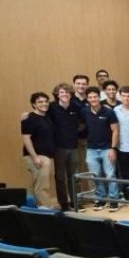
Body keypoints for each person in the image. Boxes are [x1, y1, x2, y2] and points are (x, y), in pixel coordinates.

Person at [80, 87, 119, 211]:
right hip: (91, 149)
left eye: (95, 97)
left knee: (110, 175)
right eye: (90, 97)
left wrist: (113, 148)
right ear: (87, 99)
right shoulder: (84, 112)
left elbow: (115, 130)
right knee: (96, 176)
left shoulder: (109, 112)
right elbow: (80, 127)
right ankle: (100, 199)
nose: (93, 99)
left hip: (107, 148)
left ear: (99, 97)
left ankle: (114, 200)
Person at [47, 83, 81, 211]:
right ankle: (64, 203)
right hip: (59, 148)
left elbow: (82, 122)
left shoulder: (75, 107)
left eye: (67, 92)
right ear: (57, 94)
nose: (64, 94)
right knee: (60, 177)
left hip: (73, 146)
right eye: (61, 92)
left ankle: (75, 202)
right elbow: (40, 117)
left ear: (71, 94)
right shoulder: (52, 107)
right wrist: (27, 115)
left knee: (74, 176)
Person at [21, 92, 58, 208]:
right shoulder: (29, 118)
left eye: (46, 101)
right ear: (34, 104)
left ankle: (33, 208)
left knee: (38, 183)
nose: (44, 104)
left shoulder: (47, 117)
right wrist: (35, 157)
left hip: (48, 155)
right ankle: (45, 209)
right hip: (37, 156)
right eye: (40, 102)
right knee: (43, 186)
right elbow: (26, 139)